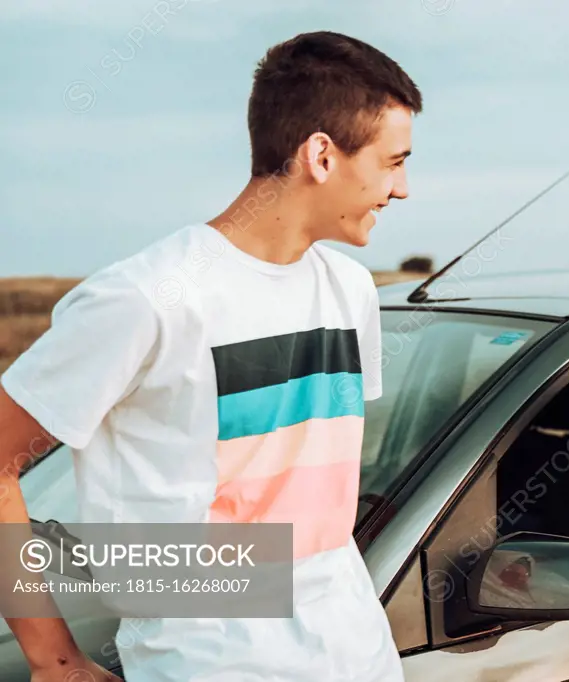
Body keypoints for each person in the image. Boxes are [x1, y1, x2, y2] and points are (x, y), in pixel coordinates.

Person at [0, 31, 421, 681]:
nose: (402, 189)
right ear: (321, 155)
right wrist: (54, 660)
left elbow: (314, 512)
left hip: (359, 653)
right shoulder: (144, 297)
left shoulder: (352, 289)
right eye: (394, 161)